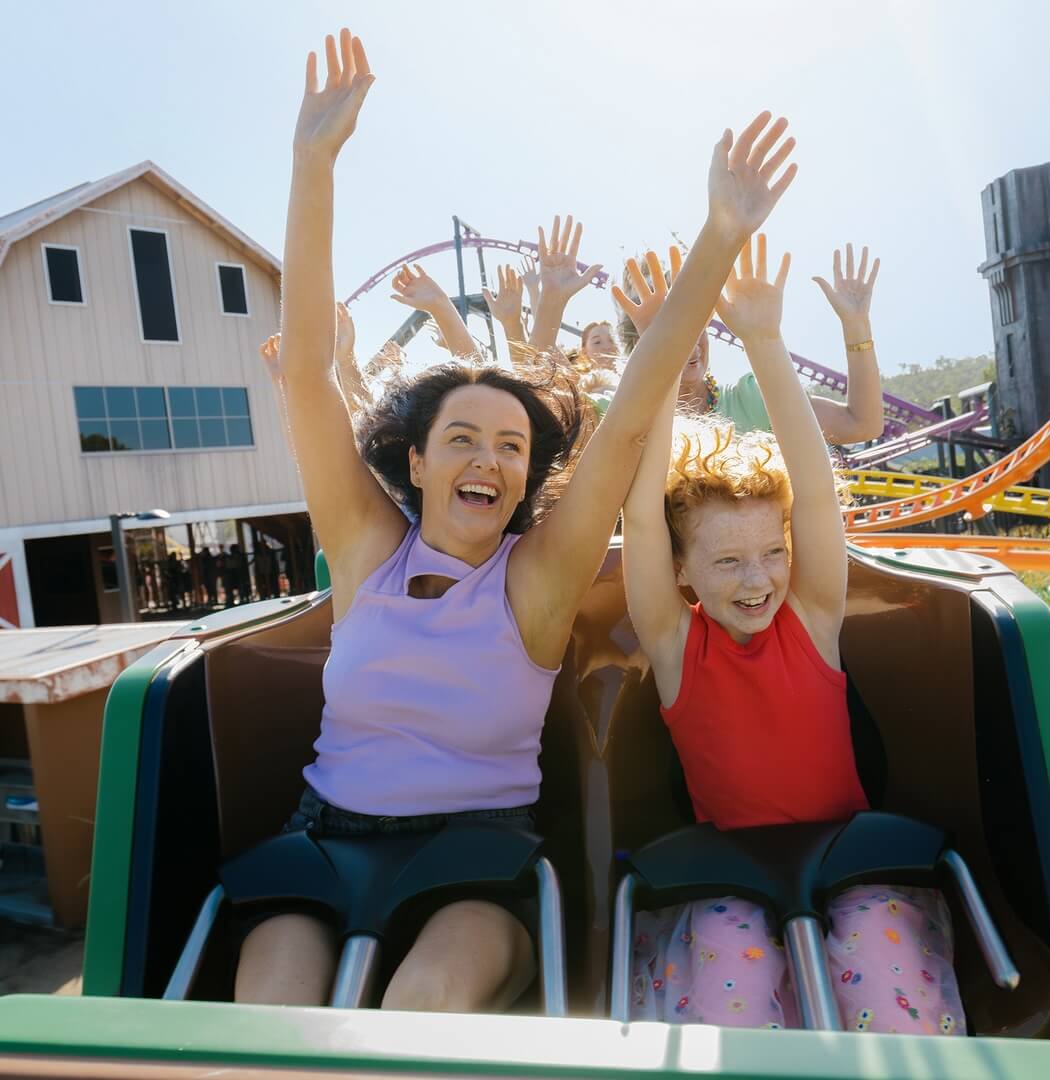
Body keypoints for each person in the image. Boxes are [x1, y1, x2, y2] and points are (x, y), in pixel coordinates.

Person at [237, 27, 799, 1014]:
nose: (488, 458)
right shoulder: (367, 548)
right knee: (269, 1033)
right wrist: (311, 161)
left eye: (510, 445)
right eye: (462, 437)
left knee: (414, 1020)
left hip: (475, 860)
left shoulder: (533, 586)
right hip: (324, 836)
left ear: (528, 477)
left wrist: (717, 237)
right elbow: (314, 372)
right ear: (415, 463)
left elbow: (627, 428)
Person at [620, 234, 965, 1035]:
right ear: (683, 575)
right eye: (730, 561)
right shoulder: (676, 644)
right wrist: (661, 352)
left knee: (886, 992)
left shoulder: (810, 619)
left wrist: (766, 343)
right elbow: (642, 513)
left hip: (848, 862)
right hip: (730, 875)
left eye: (773, 554)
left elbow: (816, 494)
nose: (758, 580)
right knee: (727, 997)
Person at [615, 245, 885, 446]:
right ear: (639, 344)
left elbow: (861, 424)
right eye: (669, 327)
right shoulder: (623, 419)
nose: (690, 340)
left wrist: (856, 324)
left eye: (697, 322)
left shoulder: (753, 401)